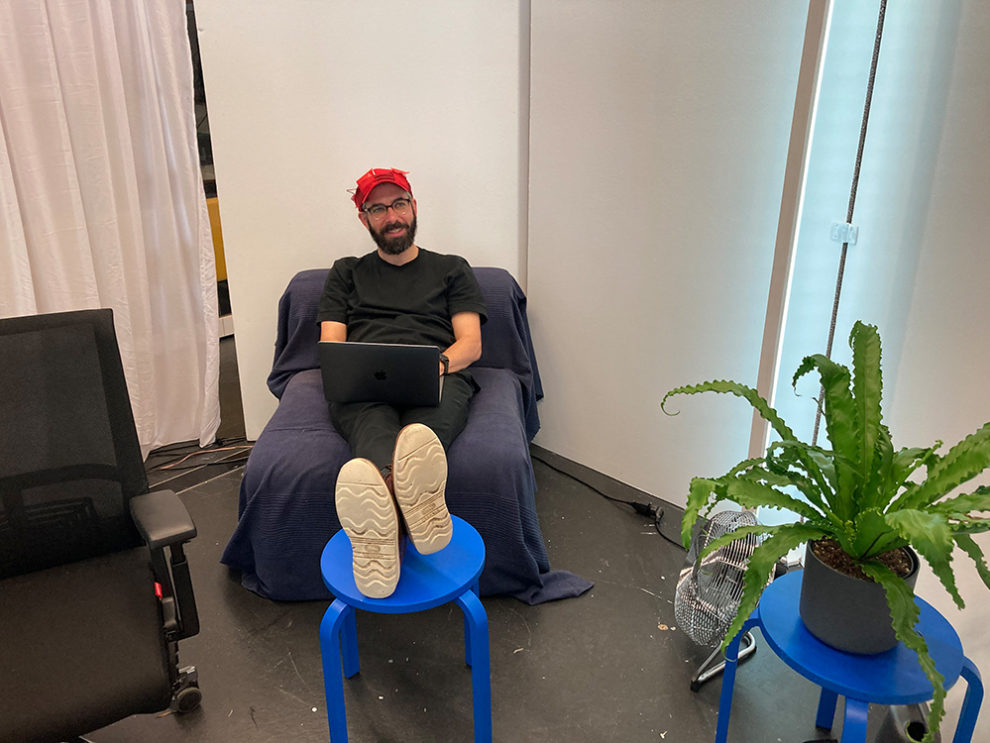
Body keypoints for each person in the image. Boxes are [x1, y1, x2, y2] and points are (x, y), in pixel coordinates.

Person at [317, 168, 487, 599]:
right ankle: (410, 514)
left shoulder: (452, 269)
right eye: (378, 208)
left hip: (439, 374)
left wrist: (437, 365)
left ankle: (384, 535)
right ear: (363, 219)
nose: (391, 216)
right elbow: (331, 346)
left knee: (419, 439)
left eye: (399, 204)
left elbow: (470, 344)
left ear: (414, 206)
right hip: (364, 383)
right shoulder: (346, 273)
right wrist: (351, 372)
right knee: (372, 429)